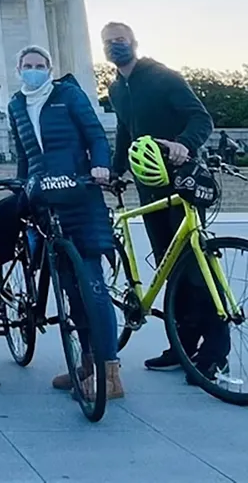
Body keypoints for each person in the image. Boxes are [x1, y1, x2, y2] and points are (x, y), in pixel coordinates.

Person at [103, 21, 225, 380]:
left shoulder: (163, 77)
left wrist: (184, 144)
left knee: (197, 267)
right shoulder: (116, 89)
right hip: (149, 185)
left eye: (121, 40)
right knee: (169, 266)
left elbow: (201, 118)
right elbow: (126, 131)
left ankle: (216, 351)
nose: (116, 46)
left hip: (181, 179)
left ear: (135, 42)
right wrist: (115, 170)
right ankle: (183, 345)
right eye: (109, 42)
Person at [5, 44, 123, 399]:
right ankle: (86, 364)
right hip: (46, 199)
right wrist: (20, 187)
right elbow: (25, 153)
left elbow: (95, 135)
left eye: (40, 65)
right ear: (18, 69)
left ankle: (110, 374)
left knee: (93, 286)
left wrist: (101, 166)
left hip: (81, 194)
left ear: (50, 68)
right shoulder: (16, 105)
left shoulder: (68, 94)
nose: (34, 70)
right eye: (28, 65)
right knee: (70, 289)